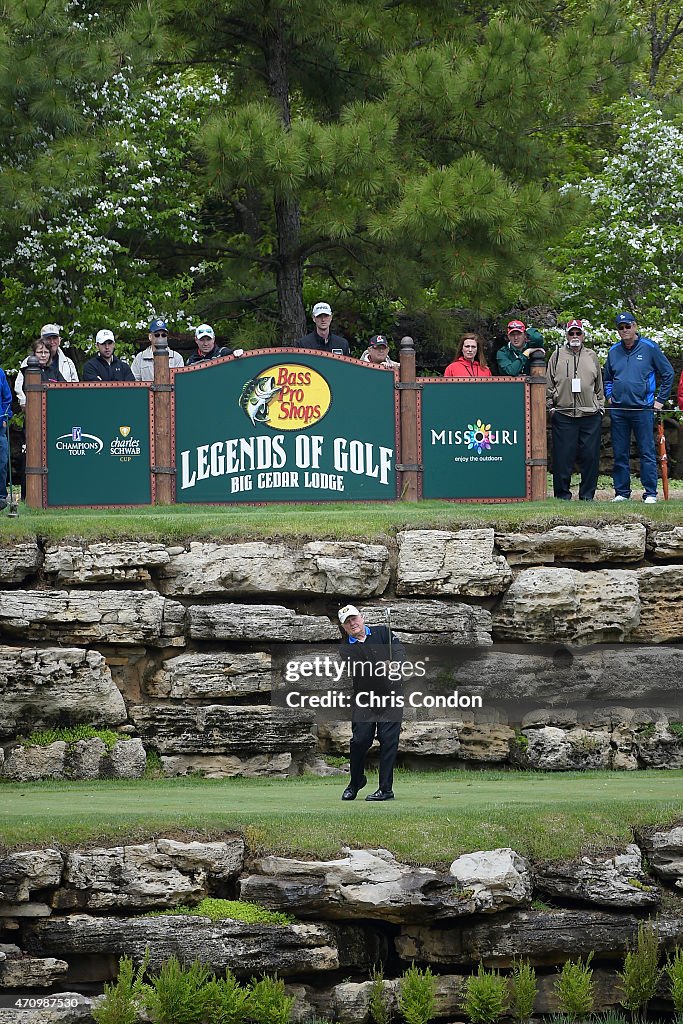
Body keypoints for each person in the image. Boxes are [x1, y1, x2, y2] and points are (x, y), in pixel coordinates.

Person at [603, 311, 674, 503]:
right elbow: (607, 377)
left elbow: (668, 373)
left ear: (635, 327)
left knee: (647, 451)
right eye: (621, 327)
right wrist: (610, 396)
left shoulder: (650, 347)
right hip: (618, 409)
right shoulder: (613, 351)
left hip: (643, 408)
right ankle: (621, 493)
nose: (625, 330)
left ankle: (650, 493)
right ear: (618, 330)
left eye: (628, 326)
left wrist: (659, 400)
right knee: (620, 452)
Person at [338, 604, 405, 802]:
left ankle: (386, 790)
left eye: (354, 618)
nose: (352, 623)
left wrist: (397, 663)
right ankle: (356, 781)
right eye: (347, 622)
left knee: (388, 741)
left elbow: (399, 650)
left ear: (362, 617)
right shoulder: (346, 649)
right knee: (360, 741)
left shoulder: (383, 633)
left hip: (391, 697)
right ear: (344, 627)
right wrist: (383, 665)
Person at [546, 319, 604, 501]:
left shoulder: (591, 355)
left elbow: (599, 385)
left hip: (589, 414)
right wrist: (550, 406)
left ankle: (587, 495)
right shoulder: (557, 355)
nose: (575, 336)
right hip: (563, 413)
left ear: (583, 335)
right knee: (563, 457)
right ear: (566, 335)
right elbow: (548, 383)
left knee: (590, 457)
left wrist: (600, 406)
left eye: (578, 333)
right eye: (571, 333)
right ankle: (562, 495)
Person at [14, 323, 79, 407]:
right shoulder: (28, 362)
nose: (52, 342)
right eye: (48, 338)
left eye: (55, 338)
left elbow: (74, 385)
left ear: (59, 340)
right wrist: (25, 404)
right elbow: (18, 386)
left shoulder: (68, 362)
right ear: (42, 340)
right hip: (34, 408)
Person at [0, 360, 12, 512]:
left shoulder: (0, 373)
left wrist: (5, 417)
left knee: (2, 460)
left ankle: (1, 497)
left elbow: (7, 398)